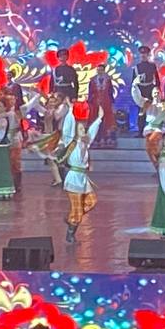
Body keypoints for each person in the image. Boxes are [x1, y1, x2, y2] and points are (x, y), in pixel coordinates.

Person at [60, 103, 102, 243]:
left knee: (91, 202)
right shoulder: (71, 142)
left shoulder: (85, 143)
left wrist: (99, 119)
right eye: (80, 129)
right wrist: (71, 111)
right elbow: (67, 128)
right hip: (74, 179)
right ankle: (70, 234)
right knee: (77, 209)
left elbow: (92, 132)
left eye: (84, 128)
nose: (83, 130)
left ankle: (71, 219)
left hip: (83, 178)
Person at [135, 81, 165, 167]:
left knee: (155, 144)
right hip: (150, 129)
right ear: (152, 94)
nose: (156, 94)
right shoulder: (147, 103)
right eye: (155, 92)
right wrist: (134, 86)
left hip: (159, 129)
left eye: (158, 92)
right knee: (149, 149)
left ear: (161, 94)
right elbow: (137, 98)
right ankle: (157, 165)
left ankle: (161, 164)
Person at [87, 62, 118, 148]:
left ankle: (106, 138)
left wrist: (112, 103)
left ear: (104, 71)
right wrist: (89, 102)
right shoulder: (92, 80)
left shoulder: (108, 80)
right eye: (98, 70)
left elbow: (110, 92)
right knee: (95, 120)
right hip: (95, 102)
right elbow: (90, 92)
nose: (100, 71)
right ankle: (96, 138)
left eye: (101, 70)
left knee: (107, 121)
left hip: (106, 102)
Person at [133, 46, 159, 130]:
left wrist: (157, 89)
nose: (143, 55)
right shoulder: (136, 67)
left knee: (151, 110)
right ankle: (140, 131)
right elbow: (133, 81)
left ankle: (151, 130)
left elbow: (157, 78)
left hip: (150, 90)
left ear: (148, 55)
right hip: (140, 91)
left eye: (145, 54)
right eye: (142, 54)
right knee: (141, 111)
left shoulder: (152, 66)